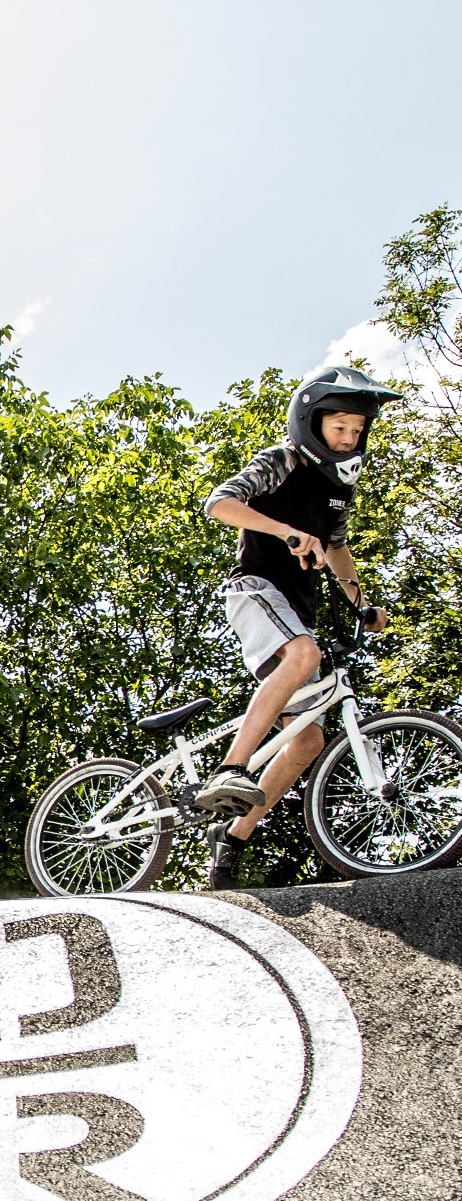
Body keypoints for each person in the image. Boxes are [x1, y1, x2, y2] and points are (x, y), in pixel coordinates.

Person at [196, 370, 401, 887]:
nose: (349, 438)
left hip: (295, 611)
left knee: (308, 741)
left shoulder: (337, 487)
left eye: (357, 430)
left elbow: (336, 548)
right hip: (255, 591)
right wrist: (285, 531)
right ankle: (231, 767)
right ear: (311, 421)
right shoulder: (282, 460)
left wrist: (362, 605)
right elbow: (218, 503)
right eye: (339, 427)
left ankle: (233, 838)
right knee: (305, 655)